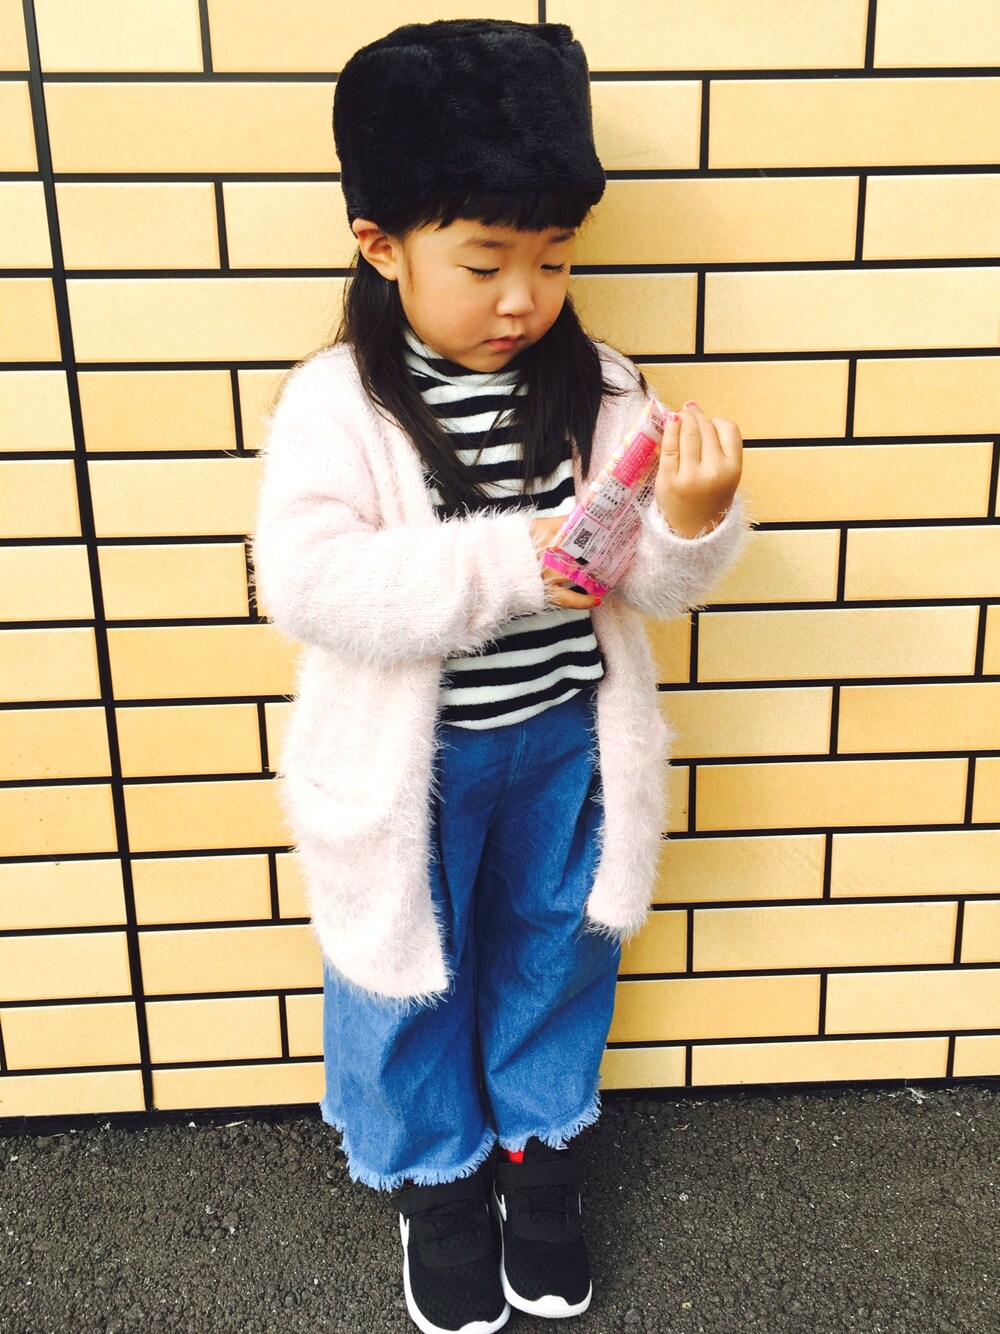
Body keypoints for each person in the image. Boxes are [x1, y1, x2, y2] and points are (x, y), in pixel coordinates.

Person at [250, 18, 747, 1334]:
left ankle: (538, 1161)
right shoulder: (337, 403)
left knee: (555, 953)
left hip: (567, 741)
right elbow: (309, 583)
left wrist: (691, 519)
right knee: (402, 969)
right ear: (382, 245)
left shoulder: (601, 387)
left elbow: (647, 582)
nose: (524, 298)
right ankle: (436, 1183)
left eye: (554, 258)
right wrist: (516, 562)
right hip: (406, 769)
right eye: (483, 262)